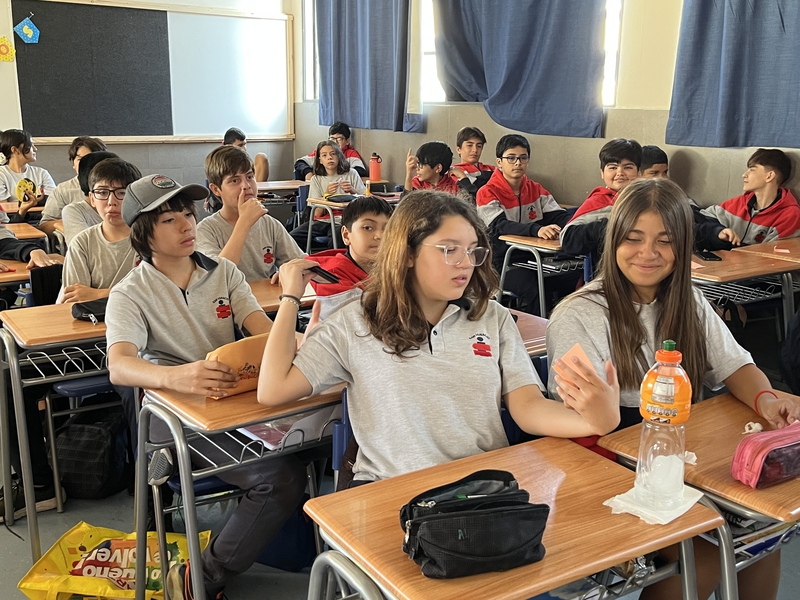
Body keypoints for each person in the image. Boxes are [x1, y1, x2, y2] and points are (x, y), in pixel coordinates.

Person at [258, 190, 620, 485]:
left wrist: (593, 422)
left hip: (480, 489)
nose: (465, 262)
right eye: (449, 249)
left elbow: (527, 408)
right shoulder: (355, 321)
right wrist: (290, 299)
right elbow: (273, 390)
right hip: (392, 492)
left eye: (472, 250)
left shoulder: (491, 317)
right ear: (407, 253)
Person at [547, 177, 800, 600]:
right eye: (633, 238)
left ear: (683, 247)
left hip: (675, 451)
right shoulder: (580, 314)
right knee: (702, 557)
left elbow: (736, 365)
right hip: (605, 458)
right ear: (612, 240)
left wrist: (767, 399)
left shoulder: (688, 300)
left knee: (762, 538)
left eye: (664, 241)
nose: (648, 253)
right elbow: (580, 426)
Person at [107, 174, 306, 600]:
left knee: (321, 445)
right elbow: (119, 366)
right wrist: (176, 376)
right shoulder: (129, 293)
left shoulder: (223, 272)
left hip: (229, 401)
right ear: (142, 233)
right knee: (280, 478)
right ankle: (202, 577)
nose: (186, 225)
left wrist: (301, 339)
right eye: (169, 220)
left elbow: (262, 329)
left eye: (188, 214)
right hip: (173, 417)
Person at [477, 134, 574, 314]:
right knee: (536, 288)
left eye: (523, 158)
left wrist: (576, 225)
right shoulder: (487, 192)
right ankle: (540, 330)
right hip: (501, 263)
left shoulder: (536, 189)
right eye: (511, 158)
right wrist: (537, 230)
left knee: (570, 280)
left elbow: (558, 216)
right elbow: (499, 226)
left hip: (535, 258)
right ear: (499, 162)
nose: (518, 163)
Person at [197, 145, 304, 281]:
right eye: (235, 180)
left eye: (249, 177)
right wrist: (244, 223)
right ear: (216, 189)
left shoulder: (269, 224)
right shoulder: (206, 230)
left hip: (266, 294)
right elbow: (218, 278)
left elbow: (300, 262)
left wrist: (289, 271)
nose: (246, 186)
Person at [60, 158, 142, 302]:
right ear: (92, 199)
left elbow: (158, 292)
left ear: (136, 198)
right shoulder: (82, 243)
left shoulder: (151, 239)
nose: (111, 202)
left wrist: (99, 294)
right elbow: (76, 298)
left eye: (122, 193)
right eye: (103, 193)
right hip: (93, 316)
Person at [696, 148, 800, 249]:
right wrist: (717, 232)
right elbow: (699, 219)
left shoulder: (790, 215)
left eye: (752, 170)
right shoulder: (741, 202)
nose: (744, 175)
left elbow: (771, 255)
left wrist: (729, 247)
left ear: (769, 176)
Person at [560, 138, 642, 260]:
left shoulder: (646, 201)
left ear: (639, 173)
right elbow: (567, 238)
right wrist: (608, 227)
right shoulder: (598, 202)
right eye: (613, 167)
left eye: (628, 167)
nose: (620, 172)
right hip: (608, 267)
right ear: (602, 173)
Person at [309, 195, 392, 297]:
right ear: (346, 235)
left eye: (387, 229)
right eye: (368, 228)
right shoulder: (332, 278)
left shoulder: (397, 268)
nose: (380, 236)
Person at [289, 140, 366, 251]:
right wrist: (326, 195)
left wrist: (353, 190)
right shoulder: (316, 179)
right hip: (322, 221)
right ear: (320, 160)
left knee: (337, 236)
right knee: (292, 237)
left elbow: (366, 202)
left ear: (339, 156)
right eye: (324, 155)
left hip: (345, 220)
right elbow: (317, 213)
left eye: (333, 154)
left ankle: (335, 261)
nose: (329, 158)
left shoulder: (352, 173)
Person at [39, 136, 107, 235]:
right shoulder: (62, 190)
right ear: (73, 163)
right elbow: (44, 226)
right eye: (81, 160)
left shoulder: (117, 187)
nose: (87, 165)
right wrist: (71, 221)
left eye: (92, 159)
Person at [62, 151, 117, 244]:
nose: (112, 200)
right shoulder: (74, 211)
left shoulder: (127, 209)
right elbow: (84, 246)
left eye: (121, 192)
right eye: (103, 192)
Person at [0, 129, 56, 221]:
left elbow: (54, 201)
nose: (35, 149)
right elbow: (4, 210)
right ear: (15, 150)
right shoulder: (2, 174)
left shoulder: (42, 173)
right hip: (15, 221)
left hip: (43, 218)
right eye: (30, 145)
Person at [293, 122, 366, 181]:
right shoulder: (322, 151)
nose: (335, 142)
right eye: (332, 138)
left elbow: (360, 170)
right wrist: (308, 172)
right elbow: (299, 162)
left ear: (347, 141)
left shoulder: (351, 154)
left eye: (339, 139)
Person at [403, 141, 476, 198]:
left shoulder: (453, 186)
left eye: (421, 165)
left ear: (438, 168)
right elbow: (404, 207)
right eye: (417, 163)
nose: (417, 168)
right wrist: (409, 175)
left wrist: (463, 177)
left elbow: (471, 203)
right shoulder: (416, 183)